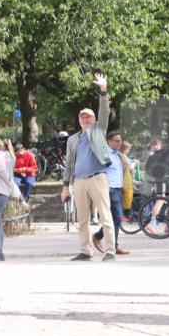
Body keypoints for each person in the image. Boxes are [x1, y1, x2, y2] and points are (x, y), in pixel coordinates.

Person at [61, 73, 115, 261]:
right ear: (79, 120)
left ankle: (110, 250)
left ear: (94, 119)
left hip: (97, 177)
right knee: (82, 218)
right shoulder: (73, 139)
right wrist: (65, 186)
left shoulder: (99, 130)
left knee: (105, 216)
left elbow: (104, 111)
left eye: (88, 117)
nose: (85, 119)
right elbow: (68, 163)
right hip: (79, 181)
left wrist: (103, 90)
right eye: (82, 117)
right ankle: (85, 250)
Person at [92, 131, 129, 255]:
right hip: (110, 189)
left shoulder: (117, 154)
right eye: (117, 141)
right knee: (116, 217)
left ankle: (108, 241)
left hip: (118, 189)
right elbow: (99, 170)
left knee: (115, 218)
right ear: (108, 141)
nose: (120, 143)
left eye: (120, 141)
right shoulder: (105, 153)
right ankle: (104, 240)